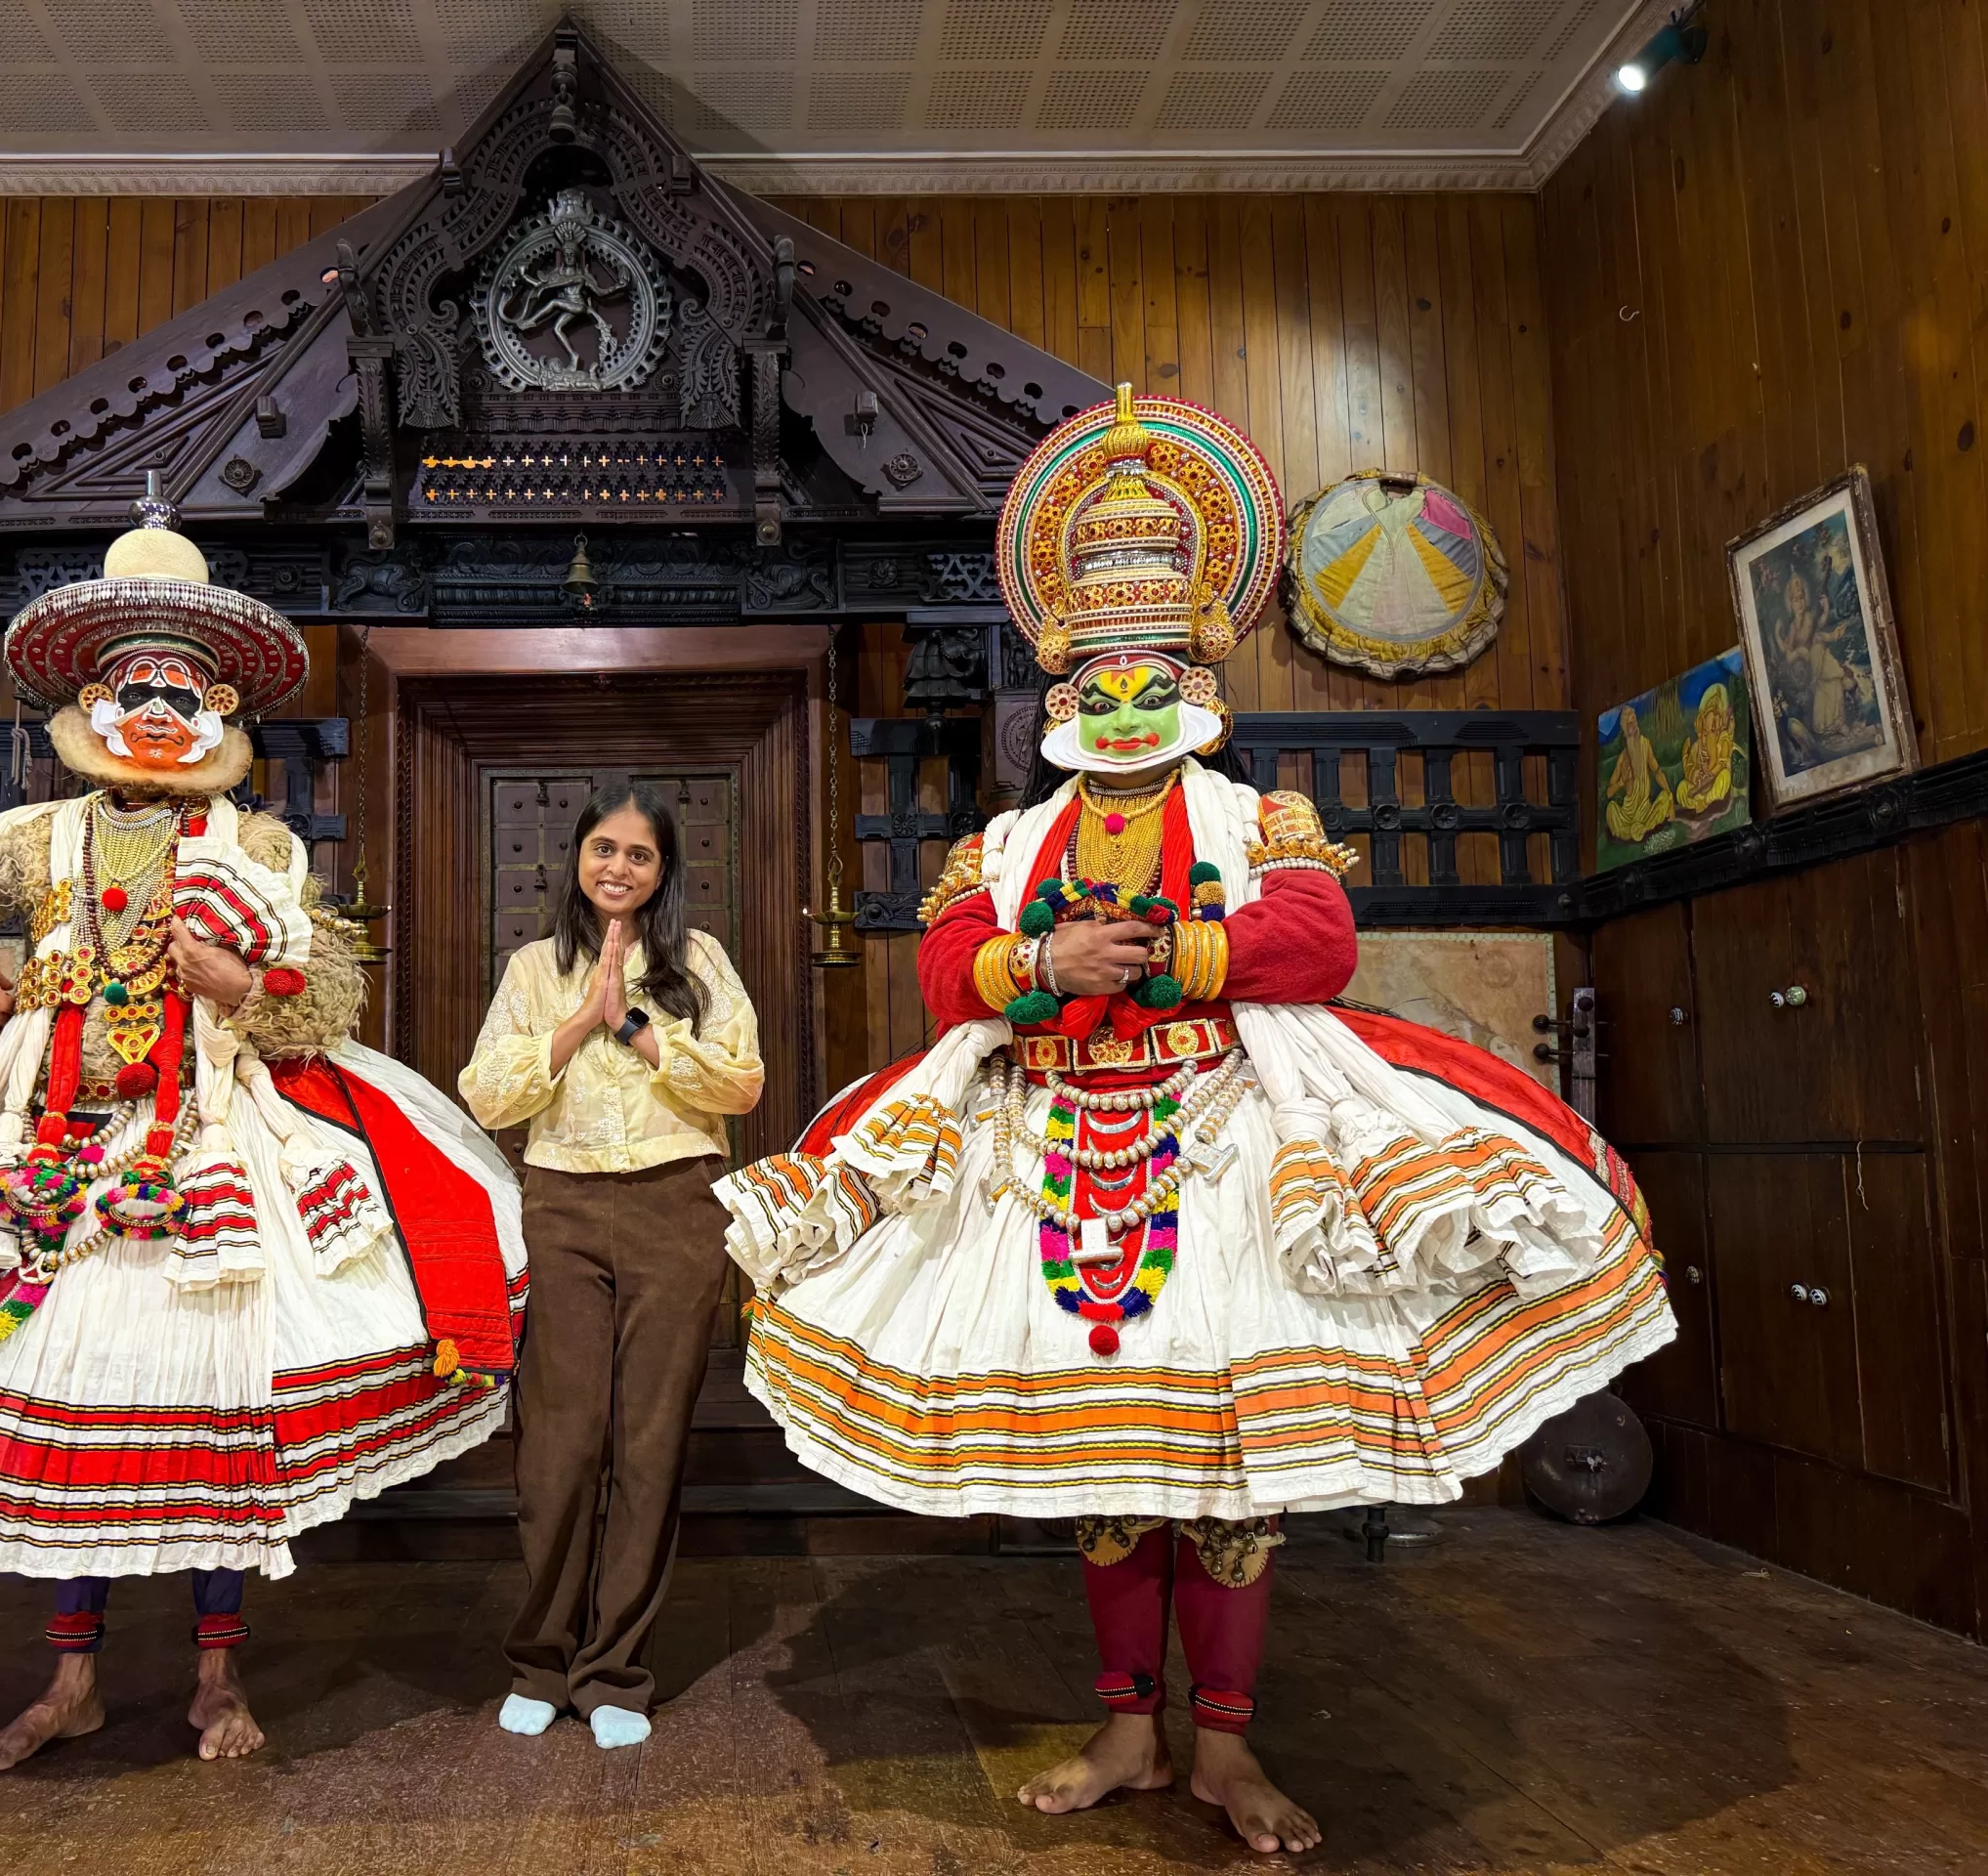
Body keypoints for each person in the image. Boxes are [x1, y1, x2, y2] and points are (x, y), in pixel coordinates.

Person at [717, 387, 1674, 1855]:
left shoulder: (1258, 815)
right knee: (1111, 1476)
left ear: (1196, 678)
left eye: (1148, 673)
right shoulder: (1009, 835)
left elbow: (1316, 941)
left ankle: (1224, 1748)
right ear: (1060, 688)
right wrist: (1040, 964)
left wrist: (1162, 955)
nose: (1119, 700)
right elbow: (942, 968)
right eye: (1095, 679)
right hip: (1045, 1158)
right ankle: (1125, 1727)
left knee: (1234, 1477)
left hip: (1228, 1150)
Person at [0, 492, 527, 1770]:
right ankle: (72, 1678)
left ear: (219, 717)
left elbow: (323, 990)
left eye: (180, 691)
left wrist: (244, 985)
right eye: (130, 687)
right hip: (38, 1128)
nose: (154, 711)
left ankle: (217, 1675)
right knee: (54, 1401)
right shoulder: (32, 841)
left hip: (202, 1137)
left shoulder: (253, 847)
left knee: (201, 1395)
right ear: (89, 707)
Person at [458, 782, 763, 1750]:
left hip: (677, 1205)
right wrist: (581, 1018)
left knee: (648, 1441)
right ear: (578, 859)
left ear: (662, 871)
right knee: (557, 1445)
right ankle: (540, 1661)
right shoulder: (533, 966)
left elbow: (742, 1081)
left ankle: (615, 1674)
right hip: (561, 1204)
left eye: (638, 853)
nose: (618, 867)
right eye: (604, 848)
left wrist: (638, 1025)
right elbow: (487, 1095)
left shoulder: (698, 960)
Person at [1603, 702, 1675, 843]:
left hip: (1645, 811)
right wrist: (1620, 783)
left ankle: (1640, 829)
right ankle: (1639, 830)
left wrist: (1670, 795)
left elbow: (1657, 771)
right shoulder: (1623, 757)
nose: (1633, 726)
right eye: (1629, 724)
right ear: (1625, 730)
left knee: (1665, 799)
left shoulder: (1645, 745)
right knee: (1611, 810)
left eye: (1634, 721)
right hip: (1627, 816)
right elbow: (1609, 792)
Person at [1675, 680, 1735, 815]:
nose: (1713, 726)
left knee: (1724, 777)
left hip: (1712, 783)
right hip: (1698, 787)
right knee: (1681, 789)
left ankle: (1707, 801)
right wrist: (1694, 774)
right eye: (1710, 723)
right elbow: (1690, 766)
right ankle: (1699, 801)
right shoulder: (1697, 746)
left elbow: (1721, 764)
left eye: (1716, 720)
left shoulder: (1723, 740)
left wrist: (1710, 774)